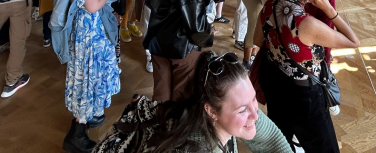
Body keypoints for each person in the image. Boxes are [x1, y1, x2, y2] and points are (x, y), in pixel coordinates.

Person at [94, 51, 293, 153]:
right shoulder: (194, 148)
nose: (255, 115)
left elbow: (272, 139)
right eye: (242, 110)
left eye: (254, 100)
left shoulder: (218, 110)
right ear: (211, 111)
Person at [255, 0, 360, 153]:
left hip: (274, 82)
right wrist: (329, 10)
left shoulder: (269, 6)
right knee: (324, 147)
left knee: (281, 140)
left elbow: (256, 39)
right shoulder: (307, 23)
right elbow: (353, 42)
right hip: (303, 95)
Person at [56, 0, 123, 153]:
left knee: (91, 75)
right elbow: (93, 6)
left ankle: (91, 113)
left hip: (86, 32)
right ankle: (76, 134)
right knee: (88, 76)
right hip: (90, 35)